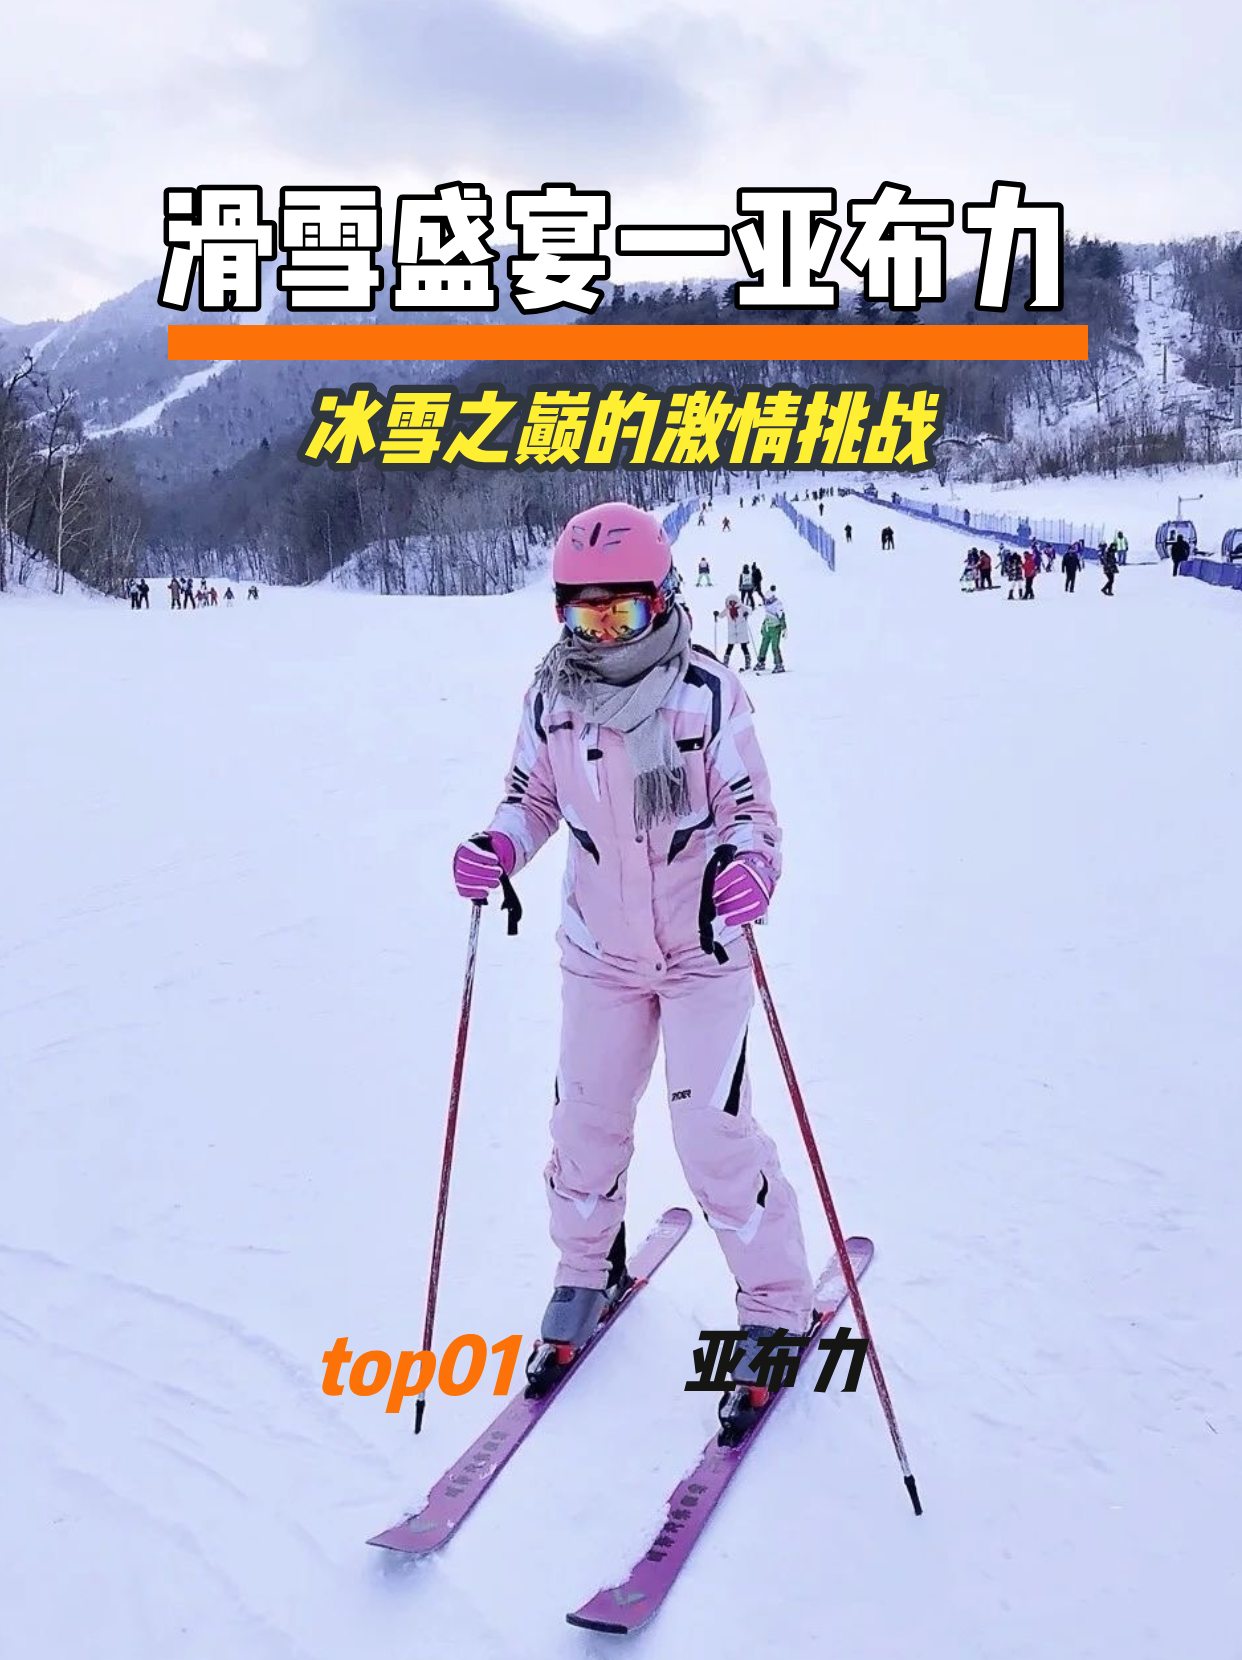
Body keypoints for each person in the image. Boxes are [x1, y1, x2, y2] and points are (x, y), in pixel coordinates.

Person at [451, 501, 814, 1403]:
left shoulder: (708, 693)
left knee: (711, 1134)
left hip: (700, 949)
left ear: (665, 598)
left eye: (624, 614)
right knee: (584, 1123)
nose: (605, 636)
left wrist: (752, 867)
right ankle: (587, 1266)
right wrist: (498, 846)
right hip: (601, 952)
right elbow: (531, 799)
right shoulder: (553, 698)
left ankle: (775, 1301)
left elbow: (751, 812)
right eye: (586, 617)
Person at [754, 586, 787, 672]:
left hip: (775, 628)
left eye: (769, 600)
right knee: (763, 645)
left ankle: (779, 664)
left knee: (774, 647)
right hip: (767, 628)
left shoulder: (777, 604)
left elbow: (781, 616)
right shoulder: (767, 605)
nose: (767, 602)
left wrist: (784, 628)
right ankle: (761, 662)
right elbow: (767, 617)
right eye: (766, 600)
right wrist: (763, 626)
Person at [718, 592, 752, 670]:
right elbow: (721, 615)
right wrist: (717, 614)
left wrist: (746, 613)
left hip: (741, 630)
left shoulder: (742, 607)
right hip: (732, 631)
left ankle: (748, 662)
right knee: (729, 647)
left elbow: (750, 610)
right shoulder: (727, 609)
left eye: (734, 601)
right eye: (731, 602)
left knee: (744, 647)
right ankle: (725, 662)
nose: (732, 603)